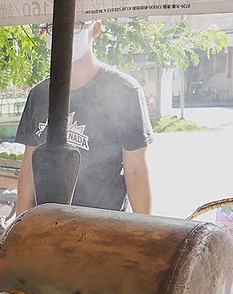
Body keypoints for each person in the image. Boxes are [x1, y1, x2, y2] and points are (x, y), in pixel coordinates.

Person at [15, 20, 153, 215]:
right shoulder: (39, 95)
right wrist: (20, 228)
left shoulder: (124, 90)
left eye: (77, 24)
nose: (65, 32)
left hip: (104, 225)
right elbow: (29, 166)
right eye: (54, 26)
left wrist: (145, 234)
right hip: (48, 224)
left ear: (95, 29)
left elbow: (136, 170)